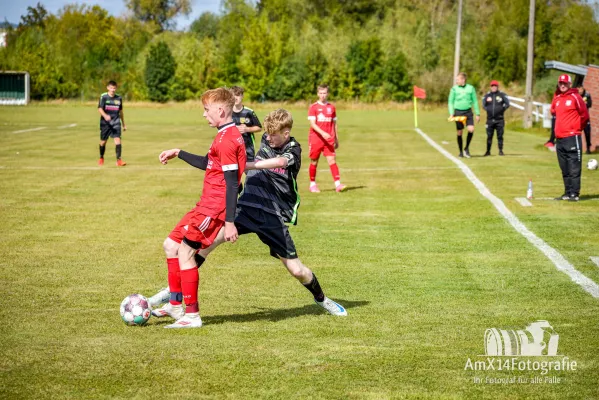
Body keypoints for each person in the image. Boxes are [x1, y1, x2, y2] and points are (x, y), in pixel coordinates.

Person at [150, 109, 347, 319]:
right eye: (267, 134)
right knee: (204, 247)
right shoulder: (264, 138)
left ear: (286, 133)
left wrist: (246, 165)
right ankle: (174, 294)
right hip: (245, 207)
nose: (268, 138)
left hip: (272, 215)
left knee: (297, 270)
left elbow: (280, 162)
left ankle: (322, 299)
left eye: (274, 135)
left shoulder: (294, 148)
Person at [156, 87, 247, 328]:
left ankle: (192, 315)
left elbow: (231, 184)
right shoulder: (223, 134)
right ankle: (175, 306)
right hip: (203, 205)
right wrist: (179, 152)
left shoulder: (228, 139)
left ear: (220, 110)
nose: (204, 115)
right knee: (170, 245)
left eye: (206, 110)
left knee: (186, 253)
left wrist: (228, 223)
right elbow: (209, 163)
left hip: (212, 209)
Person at [551, 74, 589, 202]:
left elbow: (584, 115)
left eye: (565, 83)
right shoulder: (557, 98)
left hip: (572, 137)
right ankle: (567, 192)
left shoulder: (575, 97)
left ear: (570, 84)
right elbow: (553, 111)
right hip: (560, 139)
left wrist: (577, 129)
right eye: (560, 83)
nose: (562, 85)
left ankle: (574, 193)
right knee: (565, 168)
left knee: (574, 167)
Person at [308, 84, 346, 193]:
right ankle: (312, 184)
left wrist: (336, 138)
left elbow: (334, 124)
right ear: (317, 94)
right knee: (314, 161)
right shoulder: (313, 107)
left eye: (324, 93)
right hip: (316, 138)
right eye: (320, 93)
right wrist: (323, 133)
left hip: (329, 139)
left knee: (332, 160)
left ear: (327, 93)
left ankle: (338, 184)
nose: (323, 95)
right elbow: (313, 124)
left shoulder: (331, 107)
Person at [448, 72, 480, 158]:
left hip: (468, 112)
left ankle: (466, 148)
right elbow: (450, 102)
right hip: (458, 112)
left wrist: (477, 113)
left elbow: (475, 101)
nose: (456, 81)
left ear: (463, 79)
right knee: (460, 132)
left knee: (471, 129)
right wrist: (451, 113)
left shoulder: (471, 88)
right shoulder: (454, 89)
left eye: (458, 79)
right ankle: (460, 152)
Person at [97, 80, 127, 166]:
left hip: (116, 122)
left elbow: (121, 111)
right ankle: (101, 157)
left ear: (116, 88)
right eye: (111, 88)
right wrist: (105, 116)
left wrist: (124, 124)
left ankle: (119, 160)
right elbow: (99, 108)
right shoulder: (104, 97)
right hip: (105, 123)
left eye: (114, 88)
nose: (113, 90)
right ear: (108, 88)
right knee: (103, 142)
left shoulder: (119, 98)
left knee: (118, 139)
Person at [230, 86, 262, 161]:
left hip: (248, 147)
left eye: (237, 95)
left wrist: (247, 129)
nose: (235, 98)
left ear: (242, 96)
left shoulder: (249, 112)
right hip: (231, 146)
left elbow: (259, 128)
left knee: (250, 171)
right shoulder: (227, 111)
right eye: (233, 95)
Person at [482, 80, 510, 156]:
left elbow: (507, 104)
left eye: (495, 86)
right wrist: (488, 109)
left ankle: (500, 151)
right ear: (490, 87)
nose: (494, 87)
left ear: (497, 86)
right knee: (489, 136)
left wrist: (502, 109)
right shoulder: (487, 96)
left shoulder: (502, 95)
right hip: (490, 120)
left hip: (499, 120)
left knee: (500, 136)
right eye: (492, 86)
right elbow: (484, 105)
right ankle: (488, 151)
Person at [577, 85, 593, 154]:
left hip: (585, 118)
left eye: (581, 90)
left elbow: (590, 104)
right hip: (577, 118)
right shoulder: (576, 96)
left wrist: (585, 103)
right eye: (579, 90)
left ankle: (588, 148)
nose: (580, 91)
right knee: (577, 133)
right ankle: (577, 149)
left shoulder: (587, 95)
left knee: (587, 133)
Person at [544, 85, 559, 151]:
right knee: (553, 129)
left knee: (556, 129)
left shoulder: (562, 95)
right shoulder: (556, 93)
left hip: (558, 115)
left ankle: (553, 141)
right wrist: (552, 110)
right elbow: (553, 103)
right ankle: (551, 141)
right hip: (554, 114)